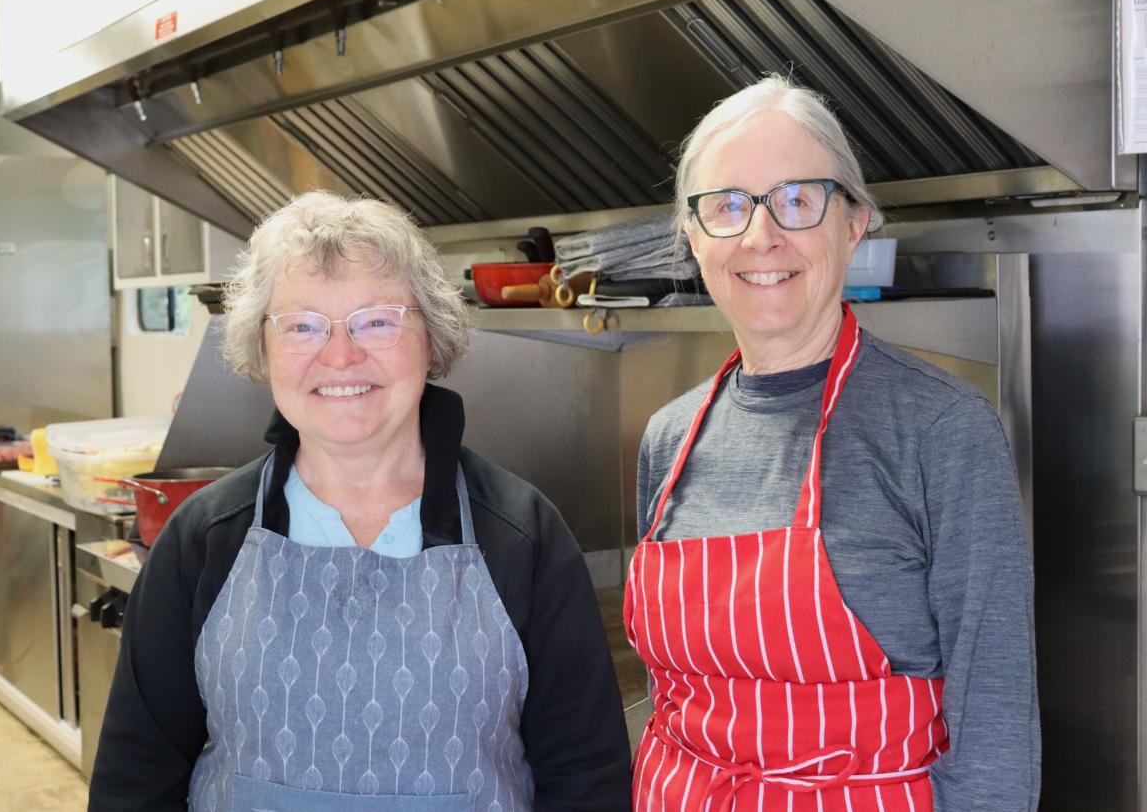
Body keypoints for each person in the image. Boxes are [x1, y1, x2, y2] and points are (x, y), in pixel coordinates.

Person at [89, 192, 631, 811]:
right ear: (262, 350)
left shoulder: (521, 533)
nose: (340, 355)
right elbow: (136, 777)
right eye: (302, 325)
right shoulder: (205, 537)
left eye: (377, 320)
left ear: (431, 335)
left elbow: (585, 776)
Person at [625, 76, 1038, 811]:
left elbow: (995, 718)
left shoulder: (941, 428)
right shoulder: (668, 437)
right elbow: (671, 694)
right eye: (727, 206)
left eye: (797, 199)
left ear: (855, 223)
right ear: (693, 239)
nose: (761, 236)